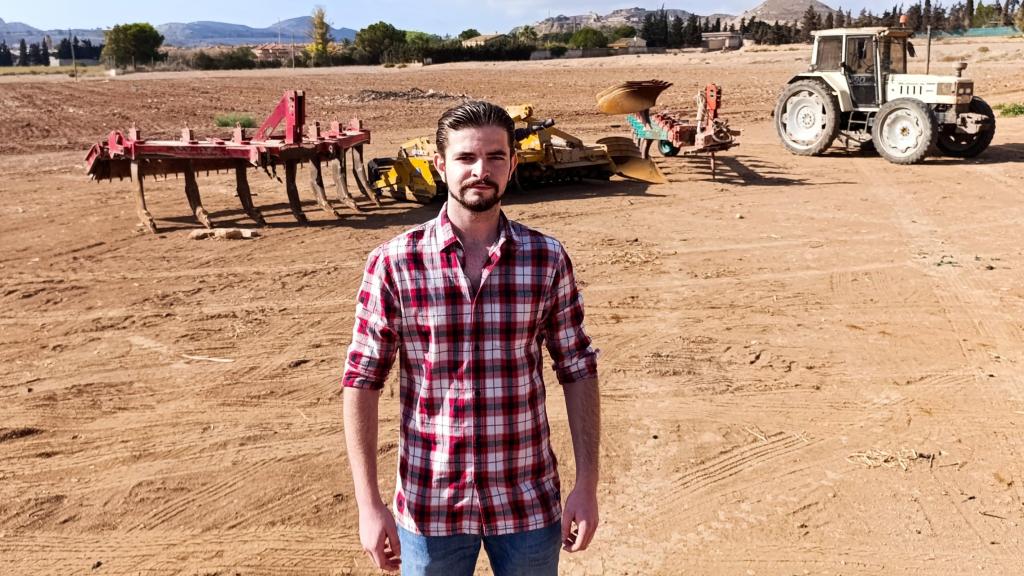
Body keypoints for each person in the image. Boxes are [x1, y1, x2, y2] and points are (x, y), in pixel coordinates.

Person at [342, 100, 601, 576]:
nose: (481, 171)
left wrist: (587, 484)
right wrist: (368, 503)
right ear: (440, 165)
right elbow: (362, 379)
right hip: (429, 506)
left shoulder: (546, 259)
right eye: (465, 158)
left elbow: (578, 367)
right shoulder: (394, 263)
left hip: (526, 502)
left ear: (513, 164)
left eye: (495, 157)